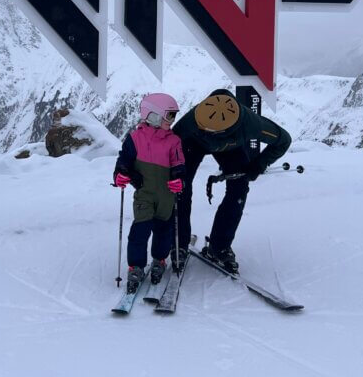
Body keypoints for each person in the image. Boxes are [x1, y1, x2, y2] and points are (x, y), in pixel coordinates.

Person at [172, 89, 291, 274]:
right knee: (180, 186)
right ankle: (179, 241)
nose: (205, 130)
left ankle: (219, 247)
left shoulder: (251, 123)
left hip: (230, 146)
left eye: (208, 129)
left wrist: (258, 165)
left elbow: (283, 141)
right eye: (202, 126)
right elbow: (170, 145)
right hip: (193, 143)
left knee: (239, 190)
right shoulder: (191, 121)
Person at [113, 93, 187, 293]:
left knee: (164, 230)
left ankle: (159, 259)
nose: (172, 121)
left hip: (166, 195)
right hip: (144, 193)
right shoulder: (135, 139)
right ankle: (135, 266)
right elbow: (124, 161)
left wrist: (179, 179)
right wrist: (120, 174)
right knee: (141, 229)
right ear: (153, 115)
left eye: (173, 116)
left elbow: (179, 164)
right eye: (169, 115)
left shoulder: (174, 141)